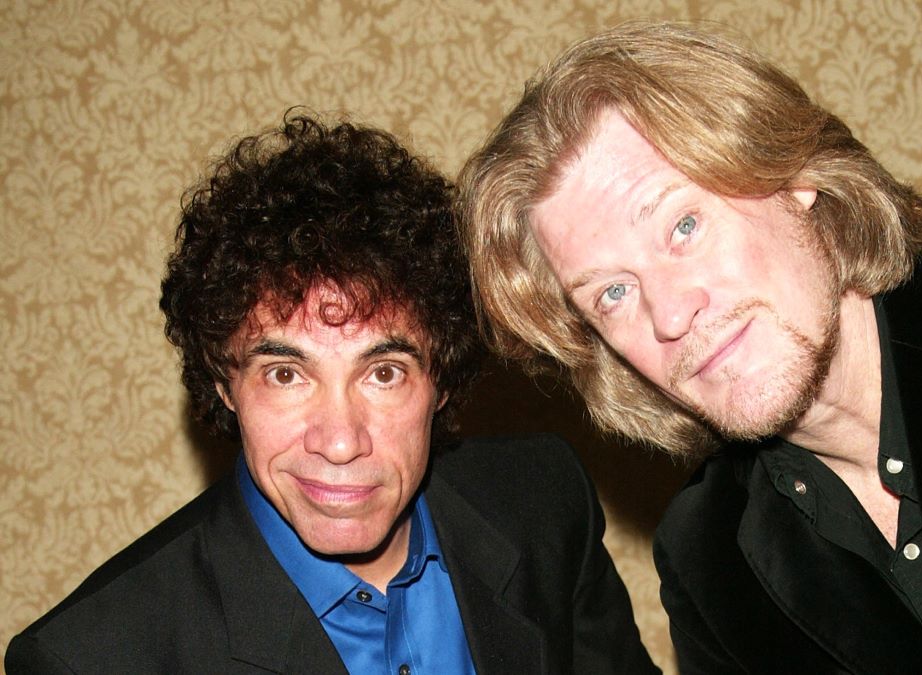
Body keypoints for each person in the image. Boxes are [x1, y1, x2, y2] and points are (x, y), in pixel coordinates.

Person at [456, 22, 922, 673]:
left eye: (682, 226)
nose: (672, 313)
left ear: (792, 172)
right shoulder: (710, 562)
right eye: (611, 294)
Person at [6, 111, 658, 675]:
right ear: (222, 382)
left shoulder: (540, 501)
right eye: (286, 374)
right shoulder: (90, 657)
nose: (341, 440)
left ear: (442, 377)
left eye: (384, 372)